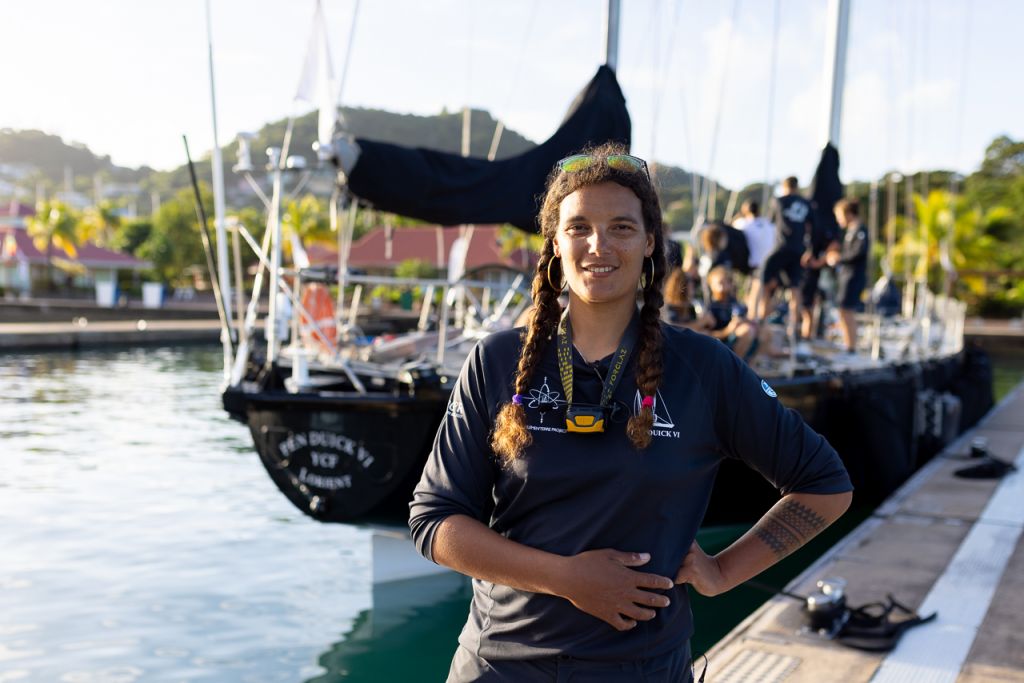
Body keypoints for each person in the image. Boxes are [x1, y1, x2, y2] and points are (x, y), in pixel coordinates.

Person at [409, 144, 853, 682]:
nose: (598, 244)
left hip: (641, 668)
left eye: (621, 227)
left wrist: (723, 572)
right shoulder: (498, 359)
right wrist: (568, 578)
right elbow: (435, 521)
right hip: (500, 665)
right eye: (579, 228)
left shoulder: (703, 367)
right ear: (555, 244)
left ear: (650, 243)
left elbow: (825, 486)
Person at [758, 177, 813, 336]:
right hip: (799, 251)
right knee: (795, 289)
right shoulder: (806, 203)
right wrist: (809, 250)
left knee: (762, 279)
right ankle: (793, 327)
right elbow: (811, 227)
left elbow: (771, 221)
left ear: (784, 186)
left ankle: (760, 319)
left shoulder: (779, 201)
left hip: (781, 247)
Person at [826, 198, 869, 353]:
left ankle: (851, 347)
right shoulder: (851, 231)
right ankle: (848, 345)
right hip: (846, 276)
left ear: (848, 214)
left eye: (839, 216)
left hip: (853, 277)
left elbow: (858, 252)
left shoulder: (860, 230)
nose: (838, 220)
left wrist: (839, 258)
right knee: (842, 311)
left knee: (847, 310)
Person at [732, 200, 776, 319]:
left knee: (754, 293)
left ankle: (753, 320)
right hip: (772, 265)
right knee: (766, 296)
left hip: (755, 266)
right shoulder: (769, 225)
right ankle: (762, 321)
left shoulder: (744, 224)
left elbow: (733, 225)